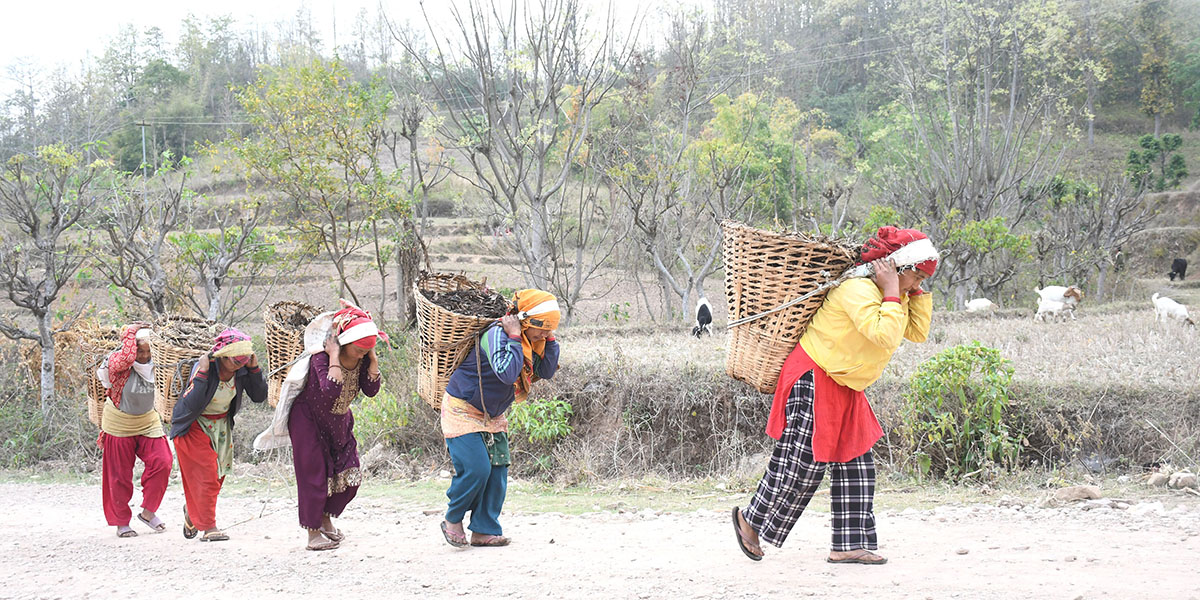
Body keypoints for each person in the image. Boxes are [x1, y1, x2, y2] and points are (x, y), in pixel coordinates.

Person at [732, 226, 938, 565]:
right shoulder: (856, 289)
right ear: (895, 268)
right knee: (802, 463)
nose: (918, 285)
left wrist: (909, 292)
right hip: (815, 376)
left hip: (844, 384)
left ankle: (848, 544)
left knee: (857, 463)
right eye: (917, 276)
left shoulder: (894, 295)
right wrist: (891, 289)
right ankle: (750, 521)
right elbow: (884, 335)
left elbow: (916, 332)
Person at [439, 289, 561, 548]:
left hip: (493, 414)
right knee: (477, 468)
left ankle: (484, 530)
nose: (543, 334)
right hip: (463, 408)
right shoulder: (496, 334)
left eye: (549, 330)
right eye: (541, 329)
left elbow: (547, 370)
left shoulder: (532, 341)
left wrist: (548, 340)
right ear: (525, 321)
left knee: (497, 471)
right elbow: (507, 372)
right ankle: (452, 519)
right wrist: (515, 336)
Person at [288, 301, 384, 551]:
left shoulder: (363, 360)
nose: (363, 353)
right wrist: (333, 356)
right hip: (308, 422)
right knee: (314, 477)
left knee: (349, 477)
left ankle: (325, 518)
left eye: (368, 349)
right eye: (360, 348)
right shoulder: (321, 357)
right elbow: (330, 391)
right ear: (344, 343)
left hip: (339, 423)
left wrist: (372, 360)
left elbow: (371, 390)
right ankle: (312, 534)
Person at [170, 328, 267, 541]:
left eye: (244, 360)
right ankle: (209, 528)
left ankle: (193, 514)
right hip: (192, 426)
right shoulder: (206, 368)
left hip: (220, 427)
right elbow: (190, 404)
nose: (239, 364)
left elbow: (259, 396)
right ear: (222, 356)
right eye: (235, 361)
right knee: (207, 473)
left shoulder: (242, 370)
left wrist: (254, 369)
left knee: (216, 477)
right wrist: (203, 373)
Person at [97, 323, 172, 538]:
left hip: (148, 420)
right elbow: (126, 358)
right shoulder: (117, 362)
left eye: (149, 350)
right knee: (119, 475)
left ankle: (148, 512)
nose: (144, 355)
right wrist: (132, 331)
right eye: (140, 350)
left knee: (163, 461)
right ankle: (122, 521)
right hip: (119, 422)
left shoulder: (161, 363)